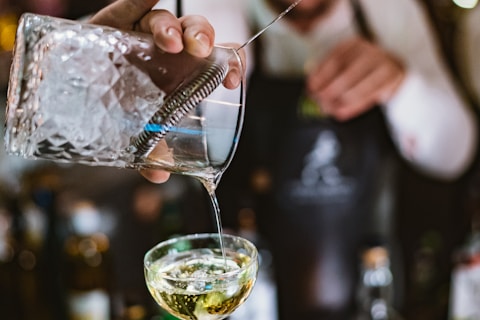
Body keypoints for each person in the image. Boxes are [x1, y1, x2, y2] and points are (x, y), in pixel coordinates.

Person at [90, 0, 478, 319]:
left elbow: (454, 155)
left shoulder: (386, 9)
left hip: (366, 287)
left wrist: (401, 83)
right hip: (242, 296)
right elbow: (199, 137)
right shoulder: (210, 9)